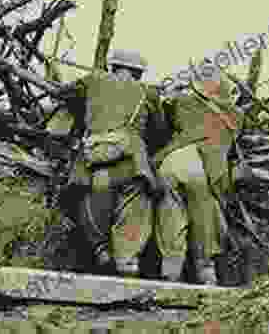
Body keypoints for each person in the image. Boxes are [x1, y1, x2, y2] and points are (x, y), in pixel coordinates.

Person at [58, 49, 182, 278]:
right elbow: (160, 131)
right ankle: (127, 259)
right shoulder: (148, 92)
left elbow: (63, 94)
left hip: (93, 161)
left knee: (91, 202)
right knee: (135, 208)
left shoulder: (93, 80)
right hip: (132, 163)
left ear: (112, 67)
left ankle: (100, 250)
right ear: (138, 73)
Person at [152, 63, 251, 285]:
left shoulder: (184, 103)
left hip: (171, 163)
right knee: (205, 225)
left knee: (171, 221)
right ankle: (207, 278)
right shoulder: (236, 116)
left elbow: (163, 109)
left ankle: (170, 276)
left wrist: (177, 89)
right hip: (205, 170)